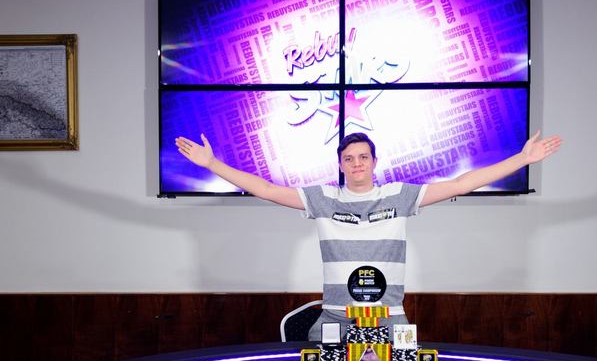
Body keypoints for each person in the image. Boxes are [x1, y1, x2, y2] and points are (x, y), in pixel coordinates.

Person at [175, 131, 562, 340]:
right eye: (349, 158)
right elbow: (266, 189)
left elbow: (462, 182)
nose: (356, 163)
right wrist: (213, 164)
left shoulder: (400, 195)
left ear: (374, 162)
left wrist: (522, 159)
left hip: (389, 319)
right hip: (335, 318)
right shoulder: (322, 199)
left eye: (363, 157)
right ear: (341, 166)